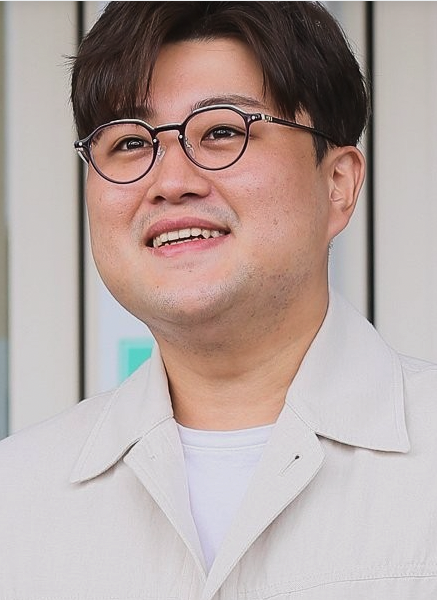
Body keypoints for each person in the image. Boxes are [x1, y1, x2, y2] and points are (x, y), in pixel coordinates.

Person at [1, 1, 437, 598]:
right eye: (129, 142)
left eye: (223, 131)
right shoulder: (17, 498)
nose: (171, 181)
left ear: (337, 184)